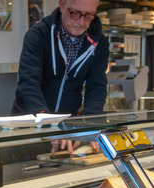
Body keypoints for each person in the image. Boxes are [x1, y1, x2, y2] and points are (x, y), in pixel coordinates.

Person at [12, 0, 109, 154]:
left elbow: (96, 86)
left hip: (66, 132)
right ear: (63, 5)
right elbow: (29, 83)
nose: (82, 22)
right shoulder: (38, 35)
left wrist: (91, 125)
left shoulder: (100, 43)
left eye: (89, 15)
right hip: (28, 129)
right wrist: (48, 123)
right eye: (75, 13)